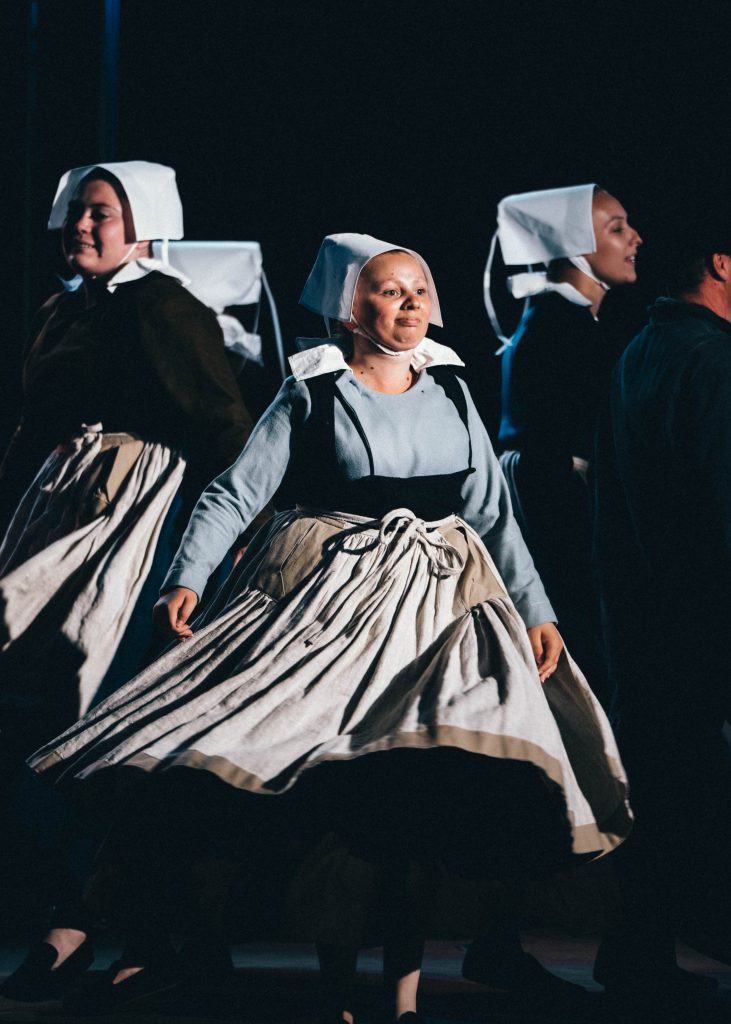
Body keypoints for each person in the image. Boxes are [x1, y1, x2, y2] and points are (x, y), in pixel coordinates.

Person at [25, 234, 631, 1023]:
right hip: (334, 601)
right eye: (389, 289)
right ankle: (328, 986)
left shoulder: (450, 389)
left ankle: (406, 996)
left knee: (423, 778)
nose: (409, 302)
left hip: (435, 606)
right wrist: (187, 574)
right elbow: (236, 491)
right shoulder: (312, 390)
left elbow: (492, 513)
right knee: (333, 774)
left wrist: (536, 610)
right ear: (349, 307)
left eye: (419, 288)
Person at [0, 161, 268, 1004]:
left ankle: (118, 929)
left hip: (139, 524)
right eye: (78, 211)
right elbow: (32, 424)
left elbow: (224, 426)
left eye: (102, 213)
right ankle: (95, 919)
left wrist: (224, 546)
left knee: (111, 714)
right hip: (64, 517)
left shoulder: (163, 306)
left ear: (142, 225)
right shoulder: (64, 308)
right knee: (44, 712)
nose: (83, 226)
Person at [593, 199, 731, 1013]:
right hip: (703, 615)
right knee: (689, 791)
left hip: (643, 614)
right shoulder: (710, 360)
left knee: (661, 790)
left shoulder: (642, 348)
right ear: (721, 264)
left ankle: (636, 951)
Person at [485, 184, 642, 710]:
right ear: (573, 245)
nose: (635, 238)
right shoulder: (560, 327)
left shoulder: (559, 320)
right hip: (561, 500)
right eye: (616, 228)